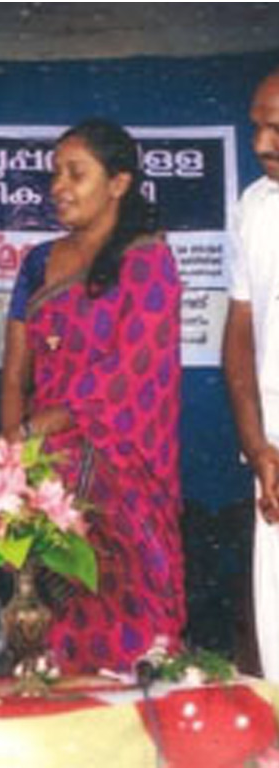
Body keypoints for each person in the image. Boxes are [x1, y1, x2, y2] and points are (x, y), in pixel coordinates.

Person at [1, 118, 184, 674]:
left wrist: (47, 425)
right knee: (50, 631)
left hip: (122, 475)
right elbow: (15, 375)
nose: (59, 186)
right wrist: (13, 464)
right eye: (55, 173)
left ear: (118, 183)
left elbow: (133, 369)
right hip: (48, 473)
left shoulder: (148, 260)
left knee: (133, 644)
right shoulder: (38, 263)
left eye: (75, 173)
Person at [223, 67, 279, 684]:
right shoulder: (254, 207)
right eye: (256, 128)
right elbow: (240, 331)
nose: (262, 144)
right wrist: (257, 445)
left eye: (278, 129)